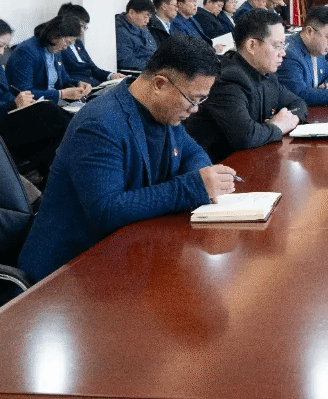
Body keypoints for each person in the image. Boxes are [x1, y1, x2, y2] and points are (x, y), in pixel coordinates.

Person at [18, 36, 238, 282]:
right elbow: (106, 210)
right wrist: (193, 186)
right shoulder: (100, 124)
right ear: (159, 84)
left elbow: (193, 153)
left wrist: (202, 179)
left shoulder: (163, 111)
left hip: (130, 252)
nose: (195, 109)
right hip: (69, 272)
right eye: (193, 99)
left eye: (200, 100)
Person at [185, 9, 307, 163]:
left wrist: (289, 120)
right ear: (252, 45)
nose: (283, 53)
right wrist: (278, 126)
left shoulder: (266, 74)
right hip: (220, 165)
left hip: (254, 158)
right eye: (277, 46)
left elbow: (298, 103)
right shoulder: (228, 79)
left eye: (284, 45)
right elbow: (246, 136)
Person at [0, 19, 72, 182]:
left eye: (4, 46)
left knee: (56, 131)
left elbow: (5, 93)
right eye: (0, 45)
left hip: (8, 115)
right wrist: (12, 104)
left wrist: (20, 101)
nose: (2, 52)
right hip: (2, 122)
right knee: (49, 111)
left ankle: (49, 179)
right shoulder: (28, 51)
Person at [6, 14, 92, 103]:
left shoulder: (55, 48)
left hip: (53, 103)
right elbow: (24, 93)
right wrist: (61, 94)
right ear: (55, 36)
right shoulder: (26, 52)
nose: (65, 47)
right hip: (34, 106)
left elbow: (63, 77)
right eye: (67, 43)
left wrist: (78, 83)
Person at [56, 3, 124, 86]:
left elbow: (92, 68)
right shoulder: (58, 46)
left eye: (84, 27)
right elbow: (64, 77)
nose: (82, 31)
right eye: (81, 26)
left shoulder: (78, 43)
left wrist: (111, 76)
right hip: (80, 87)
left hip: (94, 84)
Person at [114, 0, 157, 72]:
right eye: (145, 16)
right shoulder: (121, 32)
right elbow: (126, 62)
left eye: (149, 17)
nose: (147, 21)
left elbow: (154, 50)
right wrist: (155, 66)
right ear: (132, 13)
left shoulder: (142, 27)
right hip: (139, 73)